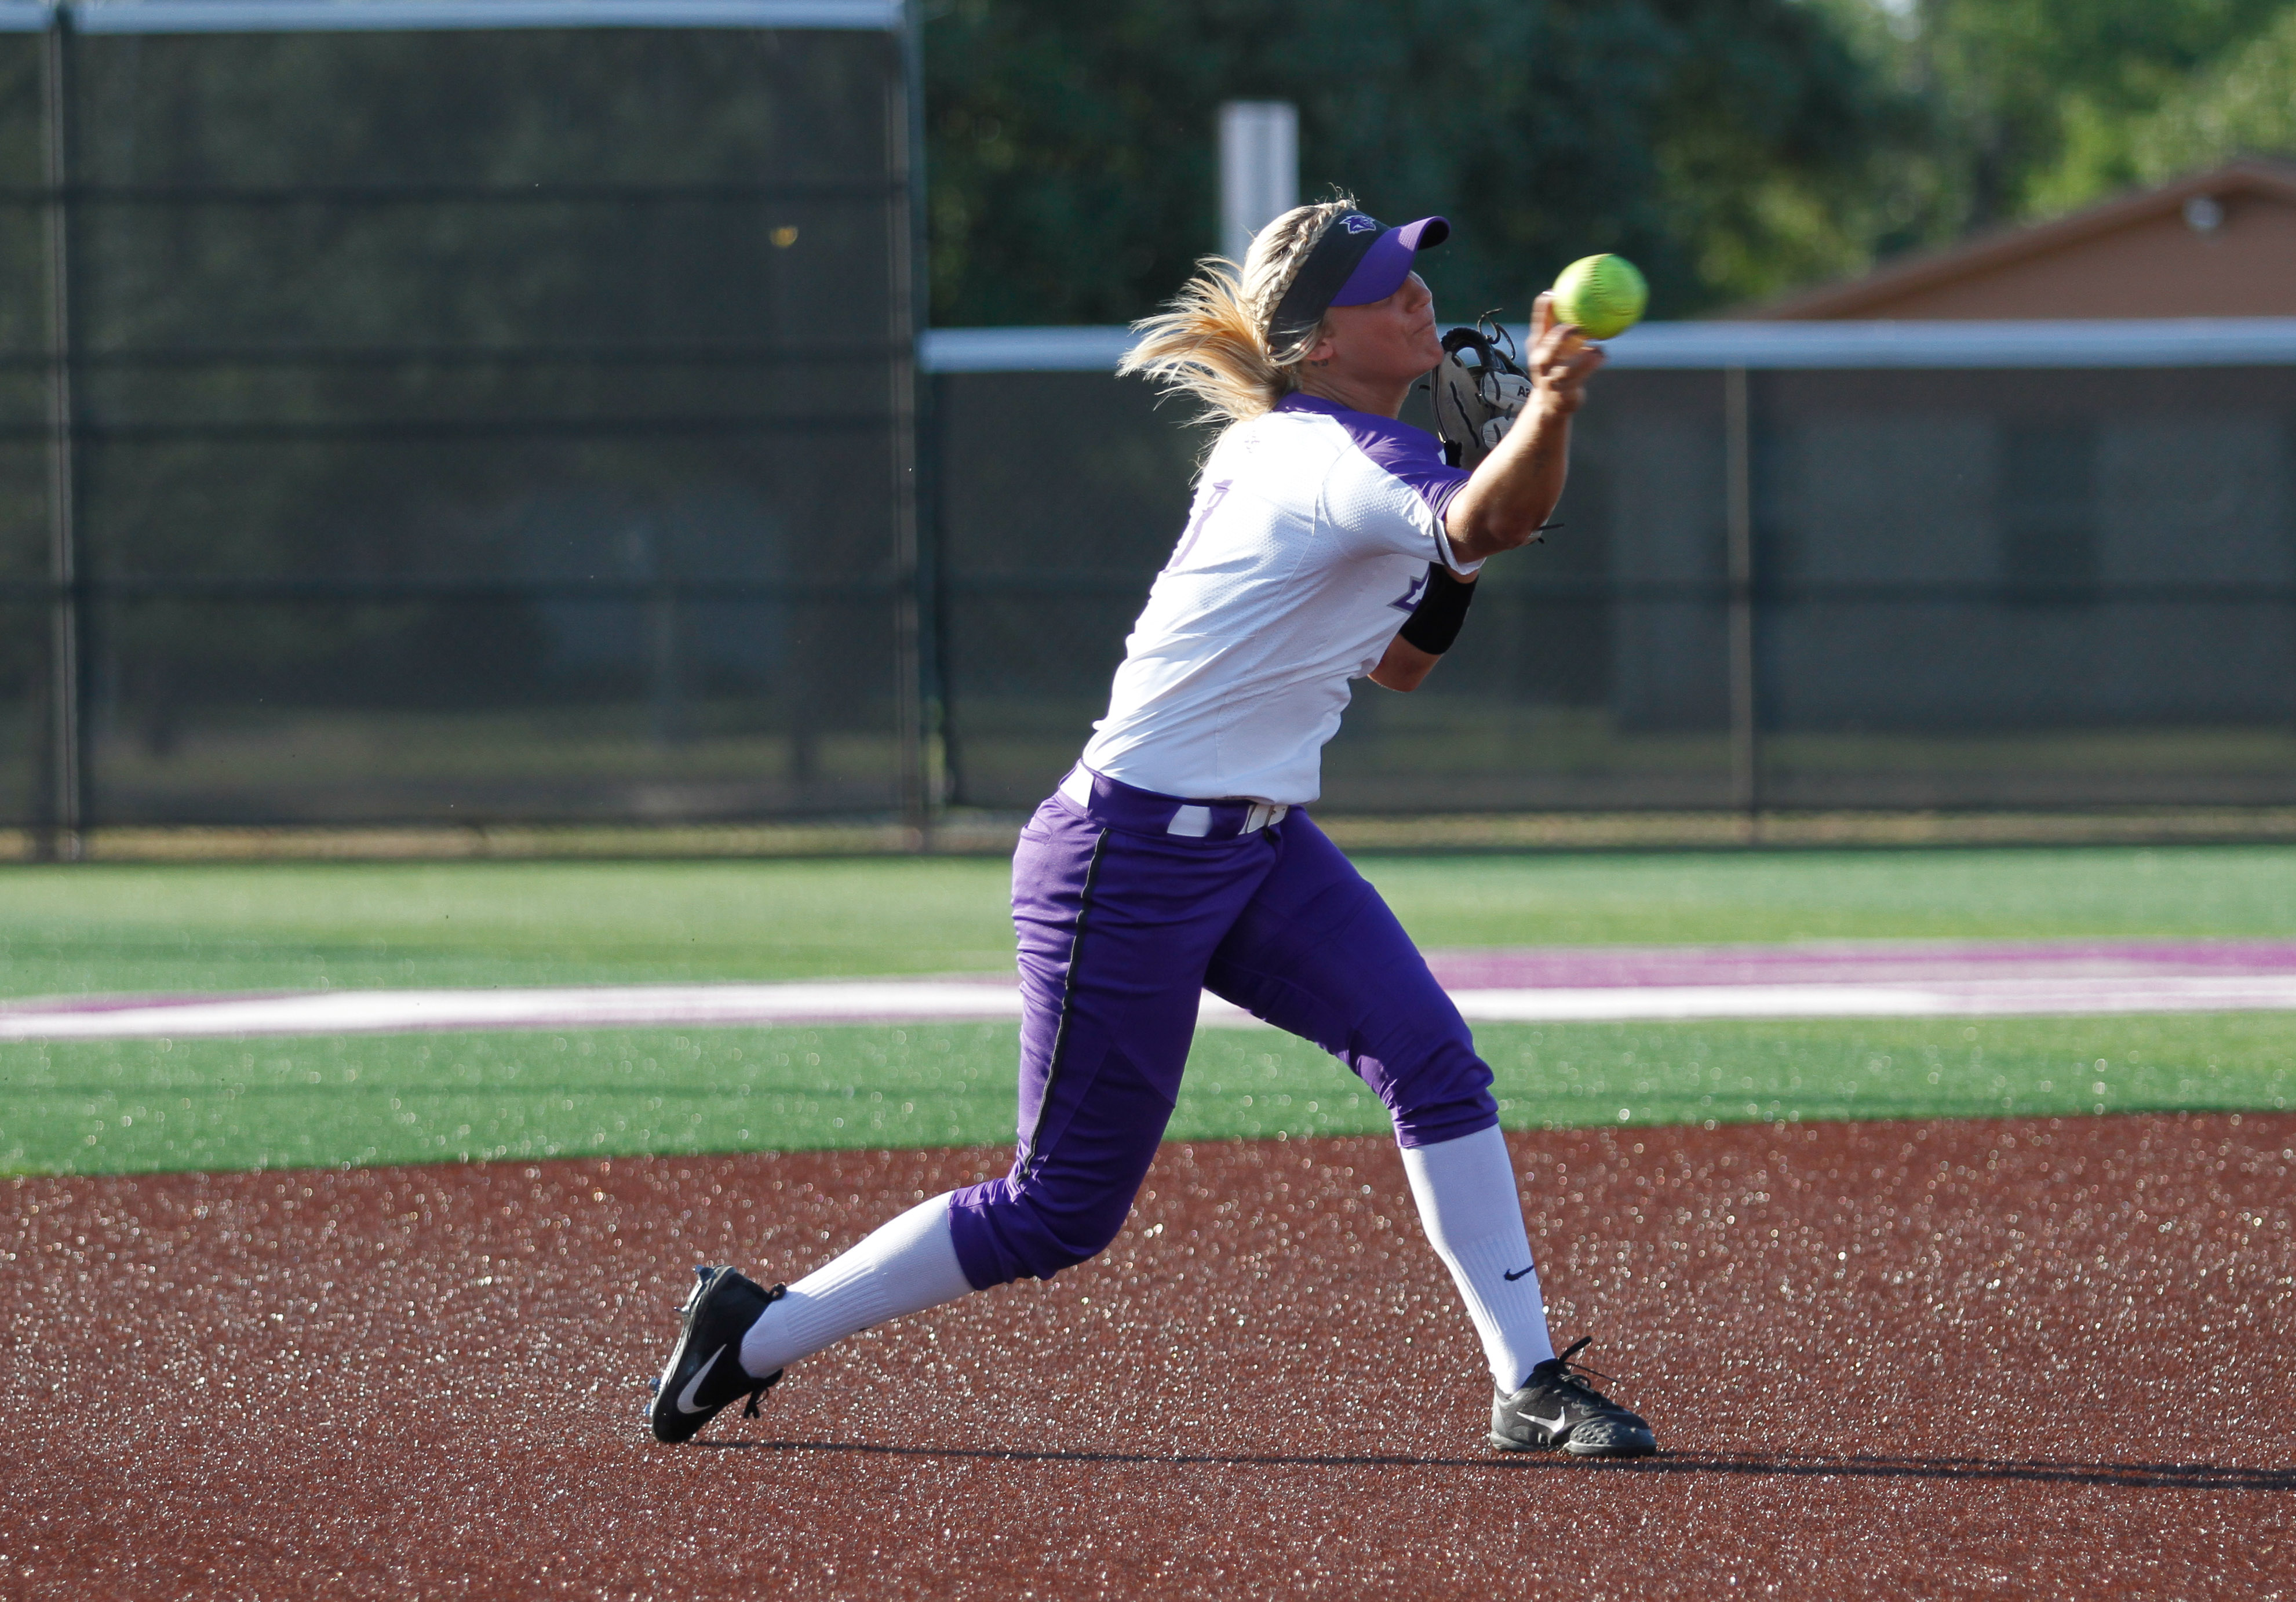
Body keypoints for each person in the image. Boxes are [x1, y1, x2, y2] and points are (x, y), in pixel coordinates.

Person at [646, 199, 1657, 1459]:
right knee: (1056, 1211)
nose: (1417, 296)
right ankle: (755, 1331)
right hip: (1126, 854)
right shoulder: (1322, 459)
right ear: (1315, 342)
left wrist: (1478, 501)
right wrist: (1548, 414)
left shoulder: (1345, 455)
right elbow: (1486, 521)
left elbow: (1400, 662)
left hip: (1255, 843)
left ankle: (1528, 1380)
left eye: (1413, 274)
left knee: (1434, 1060)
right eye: (1385, 281)